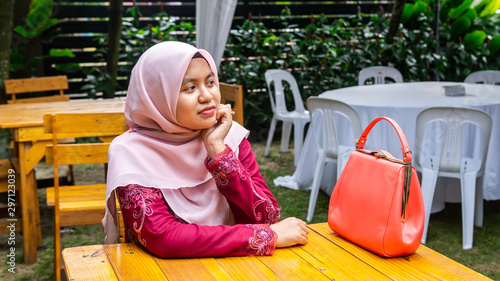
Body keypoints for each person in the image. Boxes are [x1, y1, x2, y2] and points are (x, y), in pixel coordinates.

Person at [102, 41, 309, 258]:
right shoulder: (130, 152)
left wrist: (219, 153)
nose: (207, 96)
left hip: (238, 266)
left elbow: (266, 215)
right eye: (190, 87)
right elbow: (164, 238)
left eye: (210, 82)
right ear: (157, 96)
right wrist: (263, 236)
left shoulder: (229, 137)